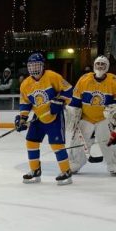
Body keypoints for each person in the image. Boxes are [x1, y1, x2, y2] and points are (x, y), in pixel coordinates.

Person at [15, 52, 74, 185]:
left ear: (43, 66)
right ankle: (35, 170)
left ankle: (66, 172)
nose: (34, 68)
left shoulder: (52, 76)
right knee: (31, 141)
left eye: (37, 65)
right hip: (38, 118)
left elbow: (69, 90)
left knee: (57, 145)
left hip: (55, 117)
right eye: (31, 65)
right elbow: (25, 103)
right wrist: (22, 118)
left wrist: (59, 101)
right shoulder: (25, 84)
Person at [68, 55, 116, 176]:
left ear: (107, 67)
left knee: (108, 141)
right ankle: (74, 164)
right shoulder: (84, 79)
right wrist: (73, 113)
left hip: (104, 119)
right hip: (86, 117)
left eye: (103, 64)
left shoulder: (114, 80)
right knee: (78, 141)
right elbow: (75, 98)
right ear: (94, 66)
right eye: (98, 64)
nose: (100, 66)